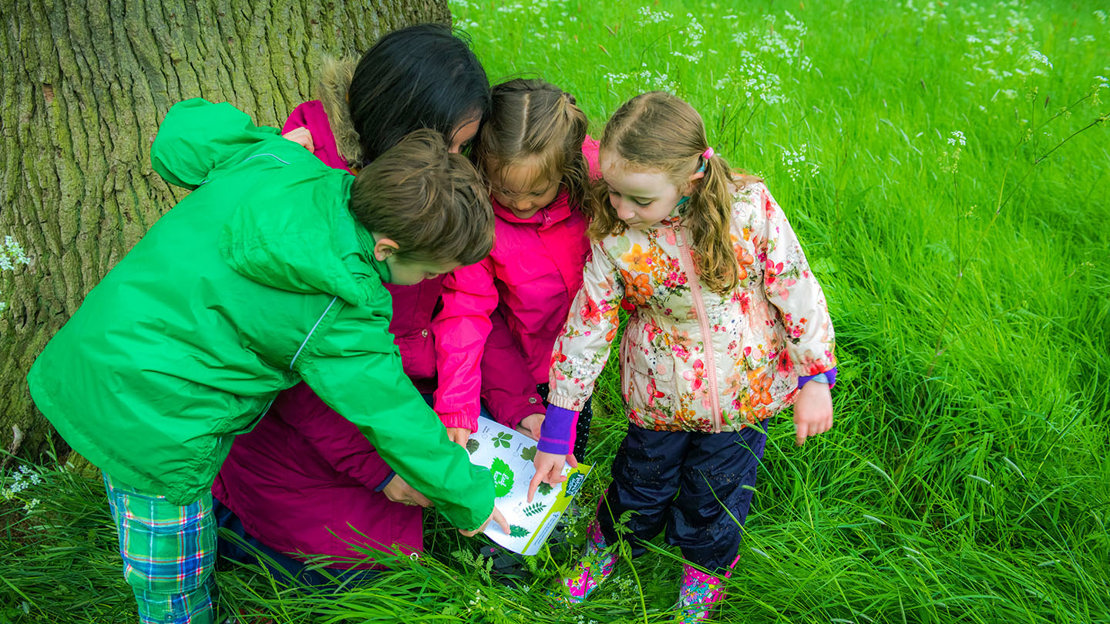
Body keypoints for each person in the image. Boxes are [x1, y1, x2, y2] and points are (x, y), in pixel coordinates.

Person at [26, 99, 507, 624]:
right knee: (174, 576)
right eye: (431, 271)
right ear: (387, 249)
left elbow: (180, 139)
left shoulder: (280, 163)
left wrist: (264, 140)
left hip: (94, 361)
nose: (430, 282)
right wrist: (470, 500)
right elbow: (393, 416)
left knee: (138, 501)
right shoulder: (342, 302)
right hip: (159, 426)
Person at [210, 24, 537, 582]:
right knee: (364, 570)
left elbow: (470, 304)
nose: (459, 162)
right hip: (311, 421)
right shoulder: (315, 204)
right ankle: (235, 539)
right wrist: (382, 471)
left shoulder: (439, 187)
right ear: (400, 132)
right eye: (452, 147)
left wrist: (519, 403)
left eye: (465, 148)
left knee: (496, 494)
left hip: (400, 391)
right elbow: (305, 379)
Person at [528, 91, 837, 623]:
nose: (622, 209)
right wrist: (560, 421)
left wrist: (817, 376)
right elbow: (591, 323)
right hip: (658, 394)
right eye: (615, 192)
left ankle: (705, 571)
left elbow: (794, 285)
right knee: (637, 485)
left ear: (692, 175)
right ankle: (612, 547)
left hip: (744, 396)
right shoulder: (617, 234)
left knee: (714, 501)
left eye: (639, 200)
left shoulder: (749, 207)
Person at [432, 78, 600, 461]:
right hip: (522, 361)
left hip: (580, 356)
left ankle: (566, 513)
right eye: (505, 190)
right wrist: (456, 405)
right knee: (530, 450)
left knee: (571, 448)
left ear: (566, 168)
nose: (520, 204)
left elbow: (656, 178)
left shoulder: (595, 182)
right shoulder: (479, 221)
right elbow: (465, 309)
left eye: (537, 192)